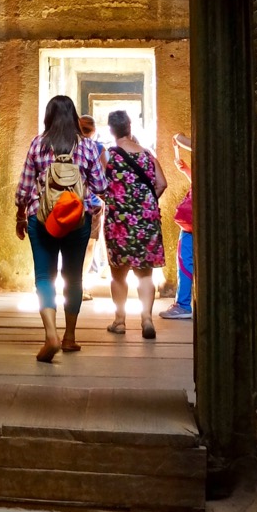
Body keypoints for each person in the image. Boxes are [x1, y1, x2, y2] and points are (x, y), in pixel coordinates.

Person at [15, 95, 108, 361]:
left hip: (42, 218)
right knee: (74, 278)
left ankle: (50, 335)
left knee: (44, 277)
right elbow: (101, 187)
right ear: (74, 117)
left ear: (49, 116)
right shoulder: (88, 146)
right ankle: (69, 337)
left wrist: (21, 216)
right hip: (77, 219)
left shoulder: (38, 144)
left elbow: (24, 189)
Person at [102, 109, 167, 340]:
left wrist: (114, 200)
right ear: (130, 128)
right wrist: (145, 203)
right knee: (145, 274)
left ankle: (120, 321)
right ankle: (147, 319)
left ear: (111, 130)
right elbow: (161, 183)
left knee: (118, 274)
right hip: (146, 220)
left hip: (118, 221)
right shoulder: (147, 155)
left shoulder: (108, 155)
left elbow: (98, 185)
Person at [161, 132, 194, 320]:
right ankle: (182, 303)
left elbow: (186, 141)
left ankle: (183, 304)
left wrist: (178, 137)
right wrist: (187, 171)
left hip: (192, 223)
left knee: (185, 261)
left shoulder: (212, 144)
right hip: (192, 224)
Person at [78, 115, 107, 298]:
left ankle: (72, 283)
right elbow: (105, 177)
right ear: (94, 131)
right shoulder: (99, 149)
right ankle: (80, 284)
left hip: (70, 202)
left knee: (71, 245)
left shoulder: (68, 146)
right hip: (93, 204)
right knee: (89, 245)